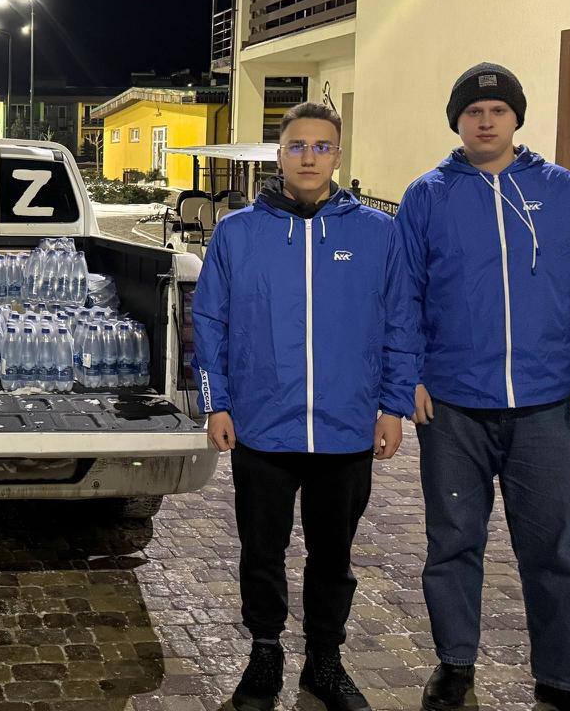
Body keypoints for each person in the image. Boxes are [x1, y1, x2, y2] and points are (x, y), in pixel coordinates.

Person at [193, 101, 418, 711]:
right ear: (279, 154)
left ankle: (324, 660)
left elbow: (401, 322)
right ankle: (265, 652)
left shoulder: (376, 233)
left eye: (322, 146)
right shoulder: (238, 233)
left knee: (333, 557)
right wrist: (217, 403)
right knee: (261, 550)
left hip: (345, 430)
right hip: (262, 427)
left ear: (338, 155)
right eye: (297, 146)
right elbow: (209, 321)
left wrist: (392, 407)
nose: (309, 157)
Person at [396, 63, 570, 711]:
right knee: (453, 542)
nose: (486, 121)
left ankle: (563, 678)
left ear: (516, 118)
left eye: (498, 111)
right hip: (453, 403)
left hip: (544, 402)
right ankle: (455, 664)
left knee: (554, 547)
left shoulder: (560, 191)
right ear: (457, 121)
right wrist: (410, 376)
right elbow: (403, 295)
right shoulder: (427, 196)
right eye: (474, 111)